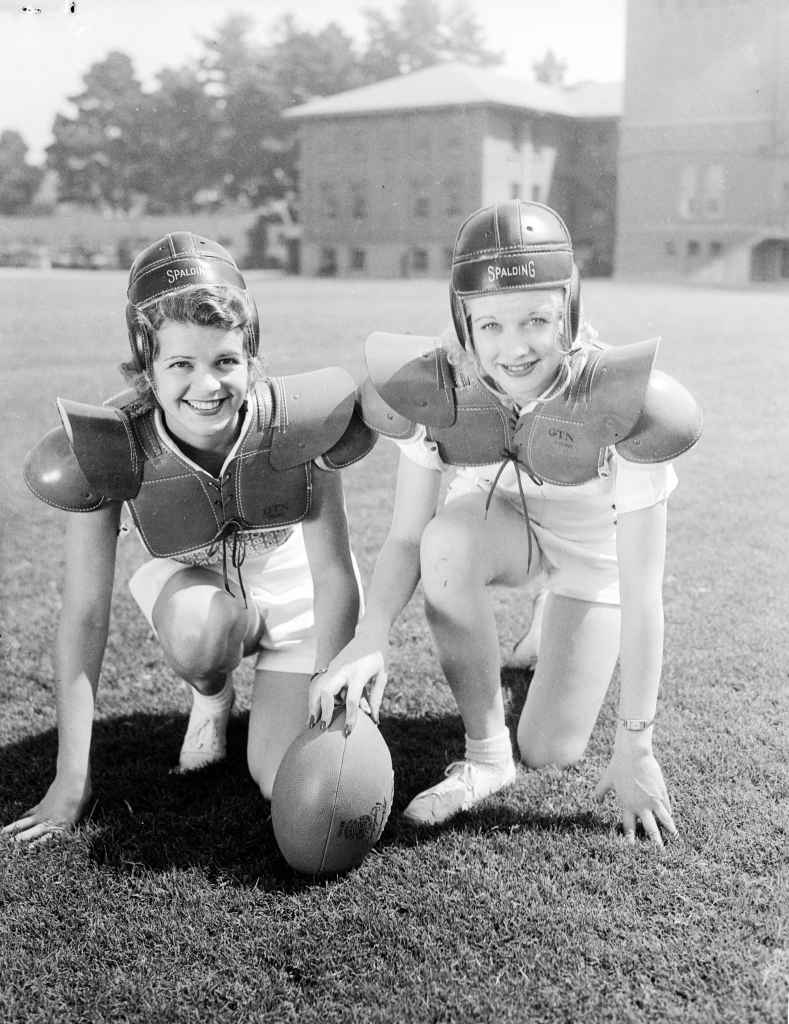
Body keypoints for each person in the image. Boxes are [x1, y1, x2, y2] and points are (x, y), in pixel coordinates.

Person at [309, 200, 702, 845]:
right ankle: (486, 756)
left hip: (590, 554)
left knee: (550, 747)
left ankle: (556, 615)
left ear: (569, 312)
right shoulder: (442, 385)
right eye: (489, 323)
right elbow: (408, 536)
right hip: (501, 524)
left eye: (537, 321)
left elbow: (643, 591)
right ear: (463, 319)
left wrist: (637, 744)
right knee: (445, 541)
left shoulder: (621, 400)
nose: (513, 348)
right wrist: (371, 634)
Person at [4, 232, 374, 845]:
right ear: (146, 367)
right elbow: (86, 613)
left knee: (292, 784)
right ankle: (212, 696)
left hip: (296, 597)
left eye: (225, 361)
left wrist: (330, 690)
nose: (207, 385)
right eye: (181, 364)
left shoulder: (298, 423)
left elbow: (334, 572)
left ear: (251, 356)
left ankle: (280, 708)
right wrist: (72, 776)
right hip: (197, 598)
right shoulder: (110, 443)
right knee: (205, 631)